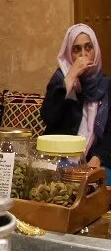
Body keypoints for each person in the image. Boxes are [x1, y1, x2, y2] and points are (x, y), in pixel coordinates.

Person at [40, 24, 111, 172]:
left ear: (96, 51)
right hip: (59, 158)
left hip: (93, 160)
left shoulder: (105, 86)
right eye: (76, 49)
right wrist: (71, 76)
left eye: (88, 47)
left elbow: (109, 133)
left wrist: (98, 158)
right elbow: (48, 116)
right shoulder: (61, 80)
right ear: (68, 54)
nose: (83, 55)